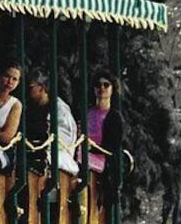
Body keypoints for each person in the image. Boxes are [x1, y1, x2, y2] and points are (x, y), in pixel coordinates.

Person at [27, 69, 80, 175]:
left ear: (41, 88)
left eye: (31, 87)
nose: (28, 90)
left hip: (56, 154)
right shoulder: (29, 107)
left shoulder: (59, 108)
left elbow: (65, 138)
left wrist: (43, 146)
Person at [86, 70, 123, 203]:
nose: (102, 88)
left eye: (106, 85)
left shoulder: (114, 117)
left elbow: (113, 146)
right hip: (83, 152)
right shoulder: (87, 112)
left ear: (112, 89)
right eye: (98, 85)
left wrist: (92, 148)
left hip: (102, 159)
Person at [0, 62, 23, 172]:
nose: (10, 82)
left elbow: (7, 136)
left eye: (14, 79)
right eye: (7, 76)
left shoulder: (15, 104)